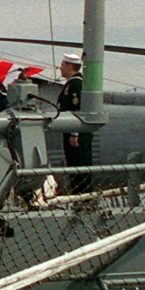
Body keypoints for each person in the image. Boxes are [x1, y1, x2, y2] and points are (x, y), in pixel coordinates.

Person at [56, 52, 91, 190]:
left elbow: (77, 108)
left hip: (76, 135)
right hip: (71, 132)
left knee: (79, 166)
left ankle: (83, 198)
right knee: (74, 167)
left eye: (63, 65)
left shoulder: (76, 84)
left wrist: (74, 133)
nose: (60, 68)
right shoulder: (71, 84)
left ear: (70, 66)